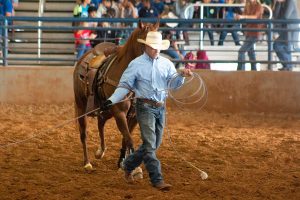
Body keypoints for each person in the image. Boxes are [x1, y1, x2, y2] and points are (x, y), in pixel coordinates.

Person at [101, 31, 192, 190]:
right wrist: (111, 100)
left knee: (153, 145)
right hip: (144, 107)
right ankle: (157, 179)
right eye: (153, 47)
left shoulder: (167, 64)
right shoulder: (136, 64)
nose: (156, 50)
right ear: (146, 46)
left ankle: (127, 164)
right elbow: (124, 86)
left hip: (160, 108)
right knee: (150, 145)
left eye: (158, 47)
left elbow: (173, 85)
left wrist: (181, 76)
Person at [235, 0, 263, 71]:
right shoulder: (248, 6)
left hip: (255, 32)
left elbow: (255, 16)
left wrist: (242, 17)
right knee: (251, 53)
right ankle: (254, 70)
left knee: (242, 51)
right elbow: (245, 17)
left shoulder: (258, 6)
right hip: (249, 32)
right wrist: (239, 17)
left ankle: (241, 70)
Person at [273, 0, 299, 71]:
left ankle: (288, 65)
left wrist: (276, 31)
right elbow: (275, 16)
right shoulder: (281, 3)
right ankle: (288, 66)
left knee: (277, 45)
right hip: (285, 30)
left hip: (291, 30)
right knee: (284, 47)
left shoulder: (290, 1)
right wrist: (278, 4)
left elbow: (285, 16)